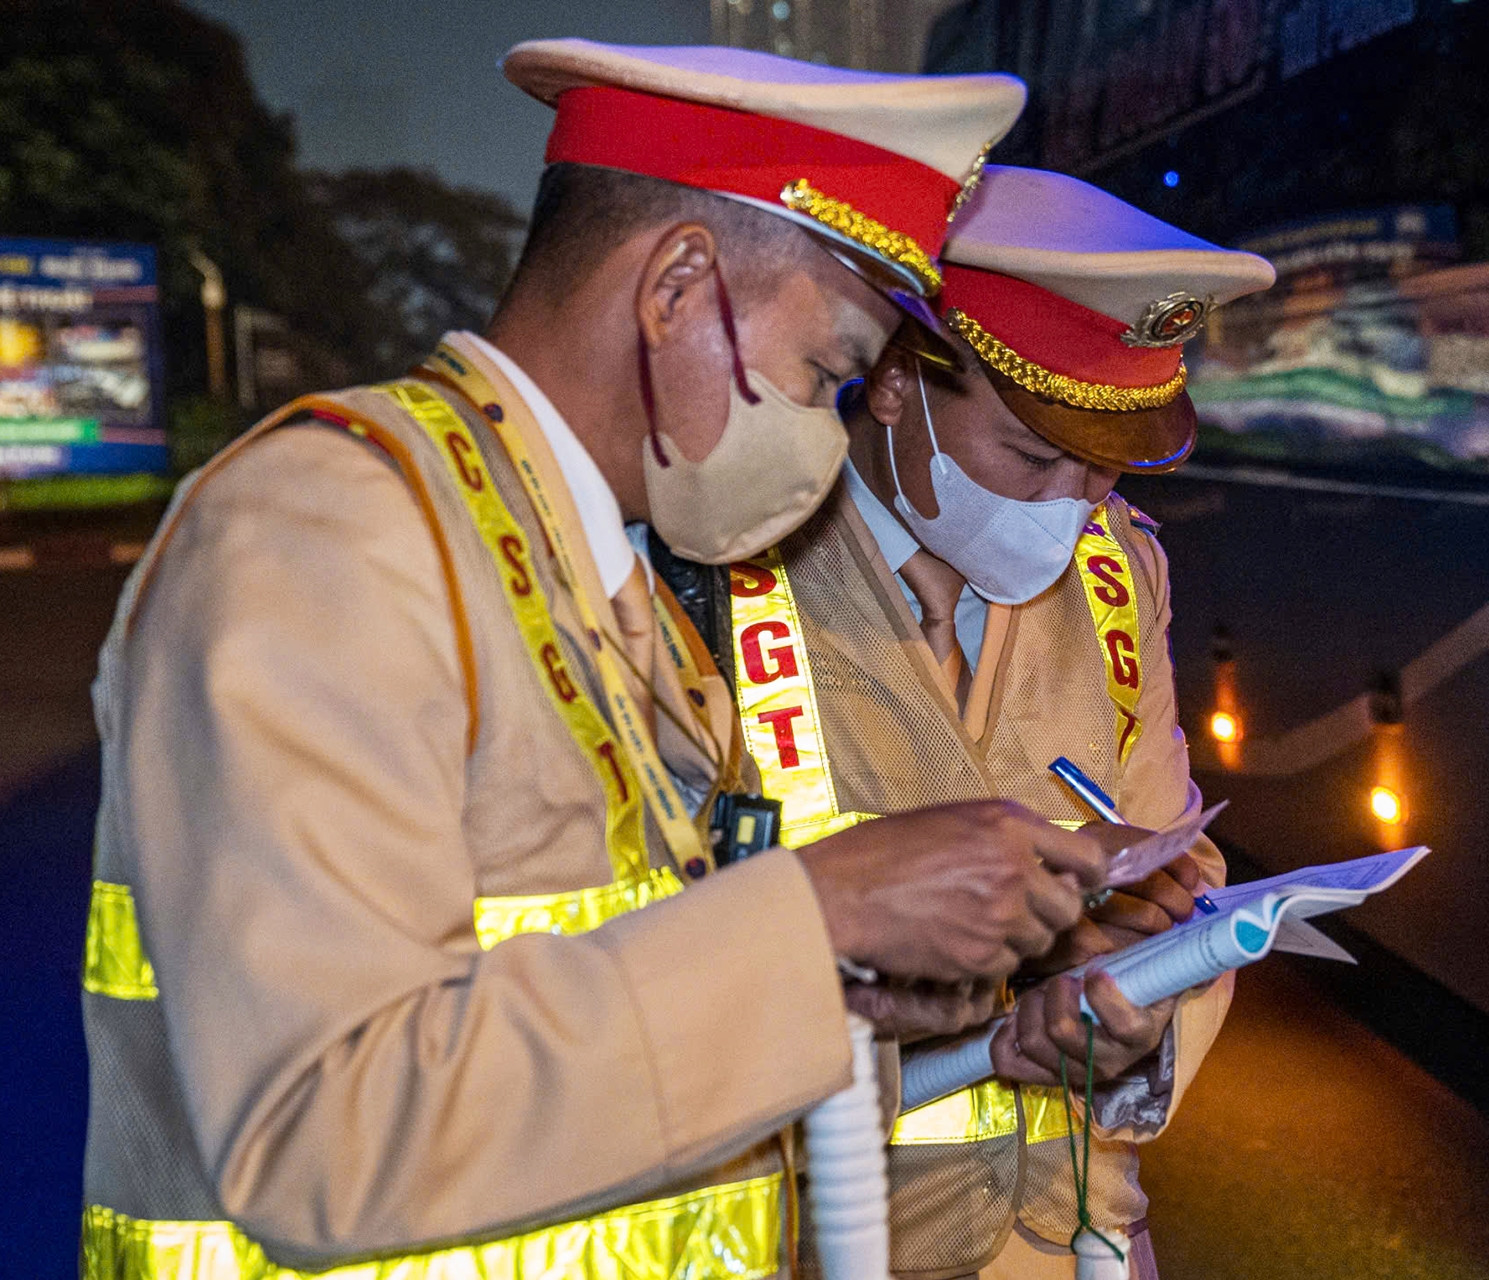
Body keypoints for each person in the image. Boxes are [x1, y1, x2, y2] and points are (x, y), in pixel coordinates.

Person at [78, 45, 1112, 1278]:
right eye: (824, 375)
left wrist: (862, 981)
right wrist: (818, 910)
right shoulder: (333, 530)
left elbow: (602, 1018)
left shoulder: (611, 588)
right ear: (676, 286)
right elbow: (323, 1131)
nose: (826, 440)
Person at [707, 165, 1275, 1278]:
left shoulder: (1121, 572)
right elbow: (654, 951)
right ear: (892, 381)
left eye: (1102, 466)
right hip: (827, 1242)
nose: (1070, 504)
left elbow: (1178, 862)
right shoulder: (717, 570)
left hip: (1080, 1235)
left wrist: (1144, 1005)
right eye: (1031, 455)